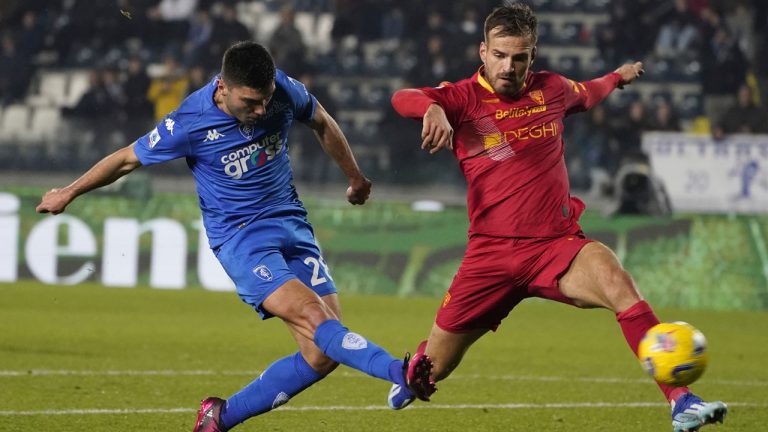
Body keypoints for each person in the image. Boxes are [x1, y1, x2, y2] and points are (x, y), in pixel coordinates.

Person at [36, 41, 434, 432]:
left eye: (266, 100)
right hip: (242, 240)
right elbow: (126, 159)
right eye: (250, 103)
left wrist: (355, 177)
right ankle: (398, 371)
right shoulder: (189, 121)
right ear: (222, 89)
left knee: (320, 354)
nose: (261, 110)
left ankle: (218, 418)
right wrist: (68, 192)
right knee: (316, 319)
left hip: (292, 224)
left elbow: (321, 121)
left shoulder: (282, 89)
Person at [387, 5, 727, 432]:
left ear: (533, 54)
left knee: (619, 284)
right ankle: (415, 368)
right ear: (483, 51)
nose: (508, 67)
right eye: (499, 55)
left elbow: (589, 91)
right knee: (432, 372)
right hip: (490, 256)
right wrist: (431, 109)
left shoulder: (552, 89)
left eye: (519, 57)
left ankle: (681, 401)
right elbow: (402, 98)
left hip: (555, 246)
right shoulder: (460, 99)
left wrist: (616, 79)